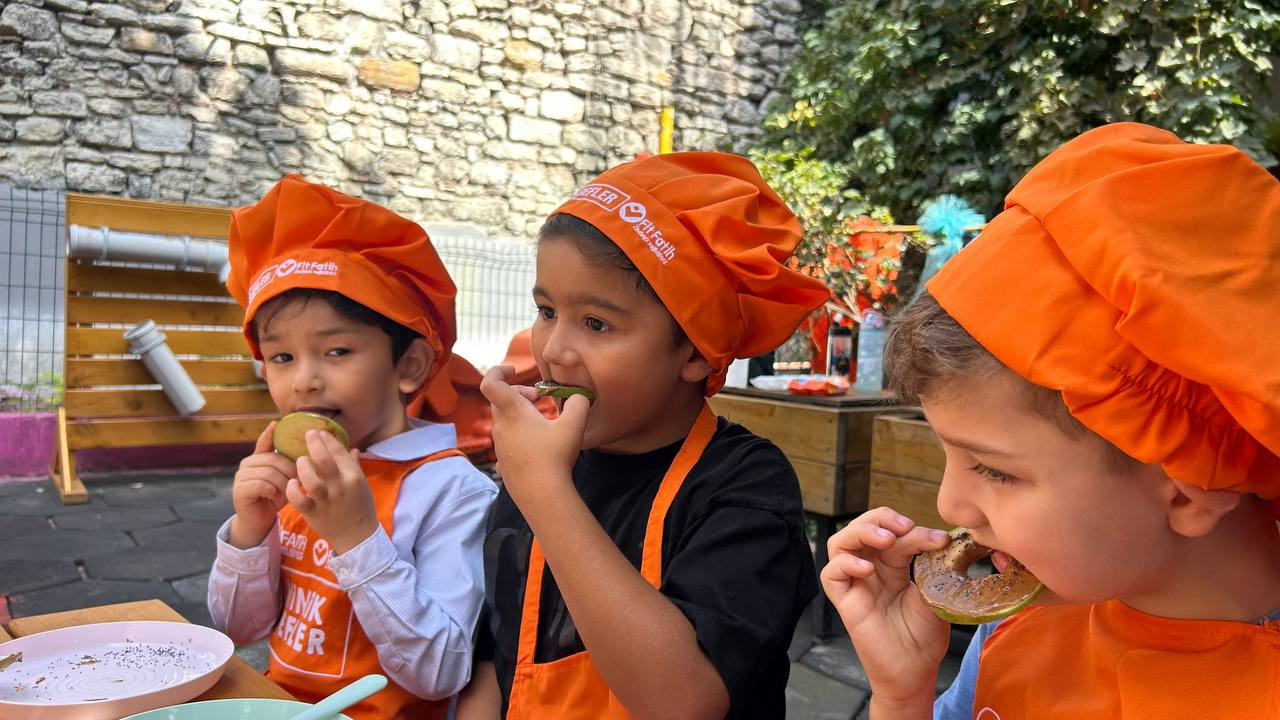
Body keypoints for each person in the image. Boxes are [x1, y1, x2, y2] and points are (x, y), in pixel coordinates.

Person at [820, 123, 1280, 719]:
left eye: (995, 471)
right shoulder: (1017, 629)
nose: (950, 505)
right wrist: (902, 695)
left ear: (1186, 488)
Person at [459, 152, 830, 719]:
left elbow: (682, 702)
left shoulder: (745, 487)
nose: (554, 351)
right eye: (546, 310)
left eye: (597, 323)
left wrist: (546, 492)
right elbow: (497, 653)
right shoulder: (539, 468)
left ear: (693, 351)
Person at [207, 175, 497, 720]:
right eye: (281, 358)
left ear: (409, 366)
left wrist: (357, 537)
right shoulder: (296, 473)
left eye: (336, 351)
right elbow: (239, 629)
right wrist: (250, 531)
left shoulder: (452, 491)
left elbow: (441, 670)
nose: (304, 382)